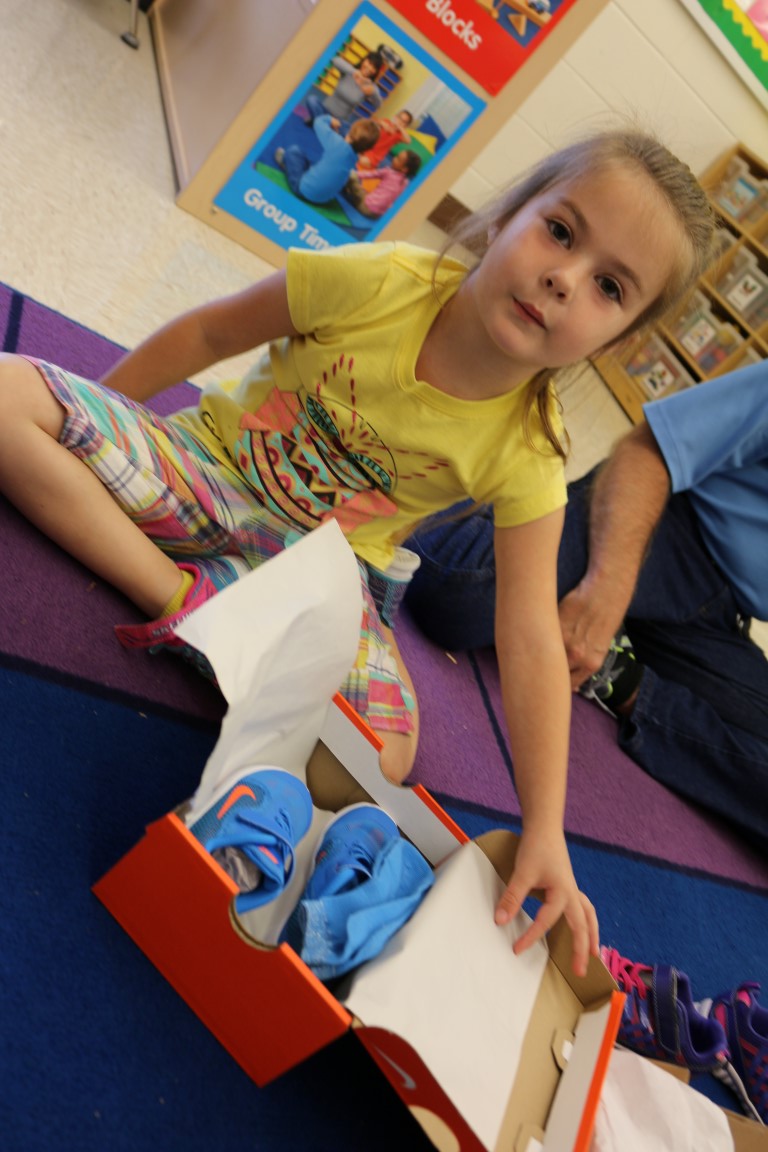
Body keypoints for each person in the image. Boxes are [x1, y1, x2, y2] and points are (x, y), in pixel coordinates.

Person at [0, 128, 717, 976]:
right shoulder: (378, 281)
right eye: (560, 231)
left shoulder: (531, 451)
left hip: (326, 577)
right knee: (8, 397)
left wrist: (547, 828)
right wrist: (95, 419)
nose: (565, 279)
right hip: (208, 472)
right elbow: (208, 334)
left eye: (608, 287)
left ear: (615, 338)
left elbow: (529, 635)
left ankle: (210, 616)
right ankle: (183, 602)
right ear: (504, 216)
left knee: (389, 754)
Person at [404, 362, 768, 850]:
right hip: (665, 525)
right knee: (457, 593)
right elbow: (648, 451)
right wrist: (607, 588)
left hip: (722, 617)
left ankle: (621, 676)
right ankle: (435, 475)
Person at [276, 116, 379, 206]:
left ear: (350, 134)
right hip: (324, 199)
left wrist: (330, 119)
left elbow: (318, 122)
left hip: (303, 190)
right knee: (315, 165)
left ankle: (286, 165)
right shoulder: (355, 159)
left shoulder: (338, 143)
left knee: (294, 151)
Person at [304, 52, 383, 132]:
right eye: (369, 63)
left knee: (349, 132)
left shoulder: (370, 87)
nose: (370, 68)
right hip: (324, 110)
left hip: (339, 121)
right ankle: (325, 125)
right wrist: (354, 72)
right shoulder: (349, 71)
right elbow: (335, 60)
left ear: (375, 72)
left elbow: (378, 104)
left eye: (374, 68)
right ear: (364, 60)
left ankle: (318, 122)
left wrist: (373, 93)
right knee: (312, 100)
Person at [343, 149, 421, 218]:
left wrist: (353, 173)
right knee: (364, 192)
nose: (394, 158)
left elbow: (369, 175)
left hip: (365, 207)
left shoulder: (388, 172)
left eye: (398, 159)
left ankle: (346, 186)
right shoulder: (405, 183)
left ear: (404, 169)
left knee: (352, 177)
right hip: (377, 215)